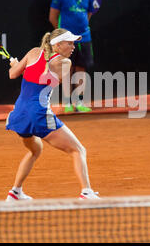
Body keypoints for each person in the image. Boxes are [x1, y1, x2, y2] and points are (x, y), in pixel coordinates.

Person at [5, 28, 100, 201]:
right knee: (78, 150)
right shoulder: (64, 63)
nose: (73, 47)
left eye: (74, 43)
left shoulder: (34, 52)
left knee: (35, 149)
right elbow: (50, 81)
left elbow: (13, 74)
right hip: (39, 114)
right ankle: (86, 192)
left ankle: (15, 192)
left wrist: (19, 66)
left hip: (19, 114)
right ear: (57, 45)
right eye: (69, 43)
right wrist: (28, 71)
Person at [49, 0, 94, 113]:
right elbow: (52, 17)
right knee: (66, 70)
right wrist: (63, 36)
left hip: (84, 38)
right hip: (66, 40)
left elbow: (88, 15)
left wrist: (81, 29)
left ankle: (79, 102)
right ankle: (67, 102)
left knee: (81, 69)